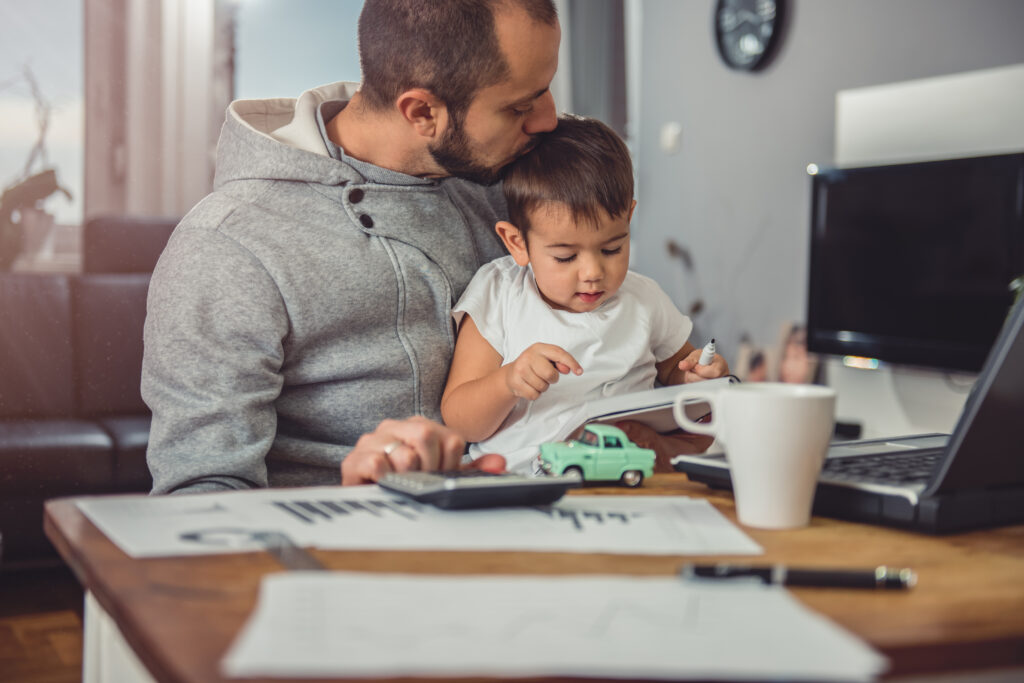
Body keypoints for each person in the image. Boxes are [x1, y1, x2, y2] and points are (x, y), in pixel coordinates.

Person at [142, 0, 561, 494]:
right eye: (519, 106)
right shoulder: (228, 245)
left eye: (544, 90)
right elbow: (199, 502)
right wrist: (353, 504)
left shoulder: (507, 182)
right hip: (345, 548)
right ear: (422, 111)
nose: (549, 120)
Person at [440, 115, 730, 473]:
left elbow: (676, 368)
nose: (593, 273)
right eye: (565, 257)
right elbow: (459, 421)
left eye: (612, 249)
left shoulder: (643, 297)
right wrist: (507, 381)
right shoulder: (500, 293)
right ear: (518, 243)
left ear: (629, 218)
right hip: (525, 472)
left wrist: (697, 374)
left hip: (626, 463)